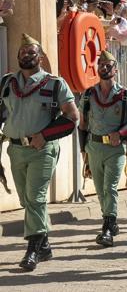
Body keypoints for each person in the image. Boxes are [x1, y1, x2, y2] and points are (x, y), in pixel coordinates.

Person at [0, 34, 78, 271]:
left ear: (40, 57)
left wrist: (44, 135)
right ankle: (44, 244)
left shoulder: (55, 84)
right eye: (22, 52)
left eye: (31, 52)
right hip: (15, 149)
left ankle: (32, 249)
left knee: (35, 197)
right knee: (26, 199)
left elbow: (72, 117)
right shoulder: (6, 82)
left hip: (42, 149)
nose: (26, 55)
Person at [78, 50, 127, 247]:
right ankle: (110, 221)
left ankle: (107, 226)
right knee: (99, 189)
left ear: (116, 69)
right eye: (101, 64)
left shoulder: (124, 95)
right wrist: (83, 149)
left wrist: (120, 133)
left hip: (115, 148)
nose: (104, 68)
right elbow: (82, 124)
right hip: (94, 146)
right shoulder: (89, 94)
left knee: (110, 187)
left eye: (108, 65)